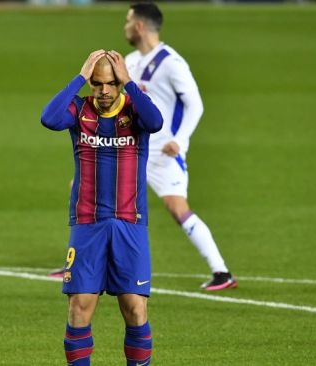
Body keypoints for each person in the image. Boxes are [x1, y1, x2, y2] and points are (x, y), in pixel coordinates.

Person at [41, 49, 163, 366]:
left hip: (129, 223)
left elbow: (156, 122)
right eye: (97, 84)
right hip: (87, 224)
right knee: (79, 307)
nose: (104, 91)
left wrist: (131, 83)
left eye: (110, 84)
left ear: (119, 82)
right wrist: (80, 76)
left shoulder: (135, 110)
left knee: (135, 308)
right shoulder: (79, 110)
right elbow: (48, 118)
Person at [123, 2, 237, 291]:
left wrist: (180, 139)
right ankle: (77, 261)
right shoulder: (130, 61)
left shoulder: (172, 63)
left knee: (177, 208)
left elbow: (195, 104)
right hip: (133, 148)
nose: (124, 27)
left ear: (139, 26)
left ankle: (221, 272)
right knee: (91, 189)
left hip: (164, 153)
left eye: (127, 21)